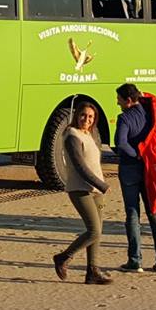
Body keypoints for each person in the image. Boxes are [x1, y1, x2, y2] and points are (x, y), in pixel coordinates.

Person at [52, 98, 112, 285]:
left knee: (97, 232)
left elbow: (94, 163)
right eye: (83, 115)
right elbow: (80, 166)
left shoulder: (89, 135)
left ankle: (92, 271)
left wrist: (100, 184)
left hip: (95, 190)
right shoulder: (72, 136)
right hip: (80, 188)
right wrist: (101, 184)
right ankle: (63, 257)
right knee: (94, 231)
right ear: (76, 116)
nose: (86, 119)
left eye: (91, 117)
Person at [112, 83, 156, 272]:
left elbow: (120, 143)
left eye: (119, 99)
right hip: (150, 170)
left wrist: (136, 153)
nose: (117, 102)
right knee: (154, 212)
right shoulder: (150, 113)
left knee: (132, 213)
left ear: (128, 101)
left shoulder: (125, 118)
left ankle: (135, 259)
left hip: (130, 168)